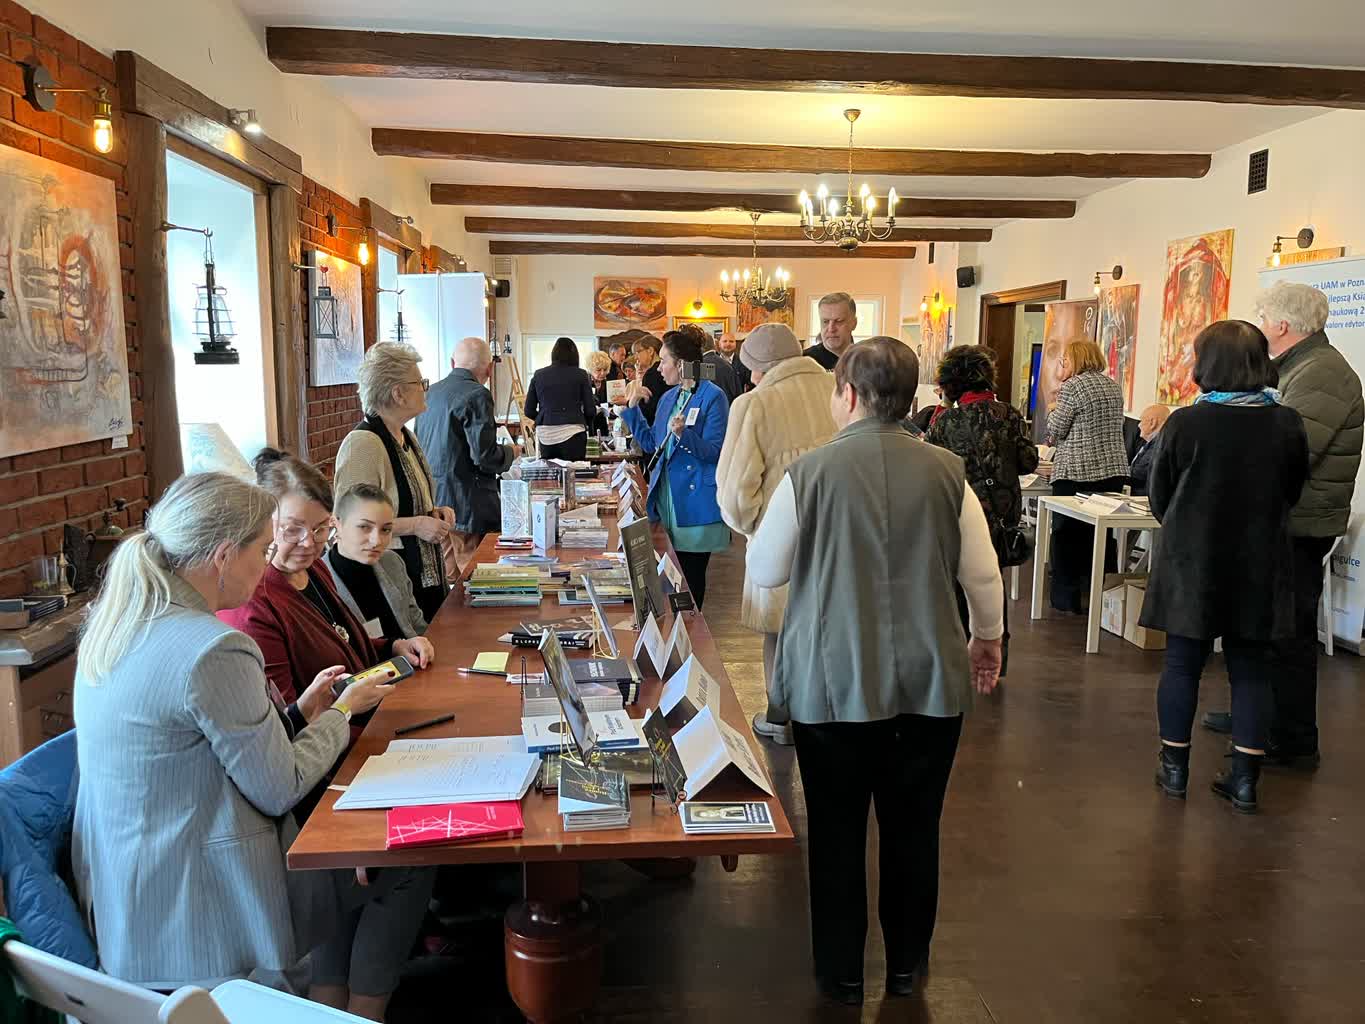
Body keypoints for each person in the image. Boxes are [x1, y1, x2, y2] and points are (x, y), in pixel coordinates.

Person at [72, 472, 397, 1010]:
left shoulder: (116, 625)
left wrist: (297, 714)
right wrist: (341, 713)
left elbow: (198, 748)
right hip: (202, 905)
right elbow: (279, 786)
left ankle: (330, 997)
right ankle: (349, 1006)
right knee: (397, 861)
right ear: (224, 556)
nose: (267, 565)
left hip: (124, 899)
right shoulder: (215, 647)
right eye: (264, 549)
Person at [745, 338, 1003, 1006]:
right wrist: (987, 639)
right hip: (929, 681)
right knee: (915, 829)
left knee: (835, 834)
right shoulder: (947, 471)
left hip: (832, 685)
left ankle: (841, 974)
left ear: (849, 395)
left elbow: (765, 569)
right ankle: (907, 966)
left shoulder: (809, 474)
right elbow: (980, 573)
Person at [1142, 321, 1308, 813]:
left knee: (1181, 665)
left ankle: (1174, 770)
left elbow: (1160, 493)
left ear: (1206, 364)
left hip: (1192, 559)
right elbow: (1293, 490)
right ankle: (1245, 779)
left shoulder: (1186, 423)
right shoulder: (1287, 422)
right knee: (1252, 669)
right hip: (1260, 560)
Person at [1202, 283, 1364, 769]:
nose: (1259, 324)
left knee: (1289, 634)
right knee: (1266, 627)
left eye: (1262, 316)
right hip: (1283, 519)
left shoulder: (1322, 373)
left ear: (1282, 324)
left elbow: (1290, 448)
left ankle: (1291, 737)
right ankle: (1257, 717)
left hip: (1300, 524)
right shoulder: (1300, 366)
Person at [221, 451, 435, 740]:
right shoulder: (254, 605)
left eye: (320, 528)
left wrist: (393, 647)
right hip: (336, 744)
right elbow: (286, 723)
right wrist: (345, 709)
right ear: (263, 524)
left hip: (370, 720)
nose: (308, 543)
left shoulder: (314, 568)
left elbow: (343, 639)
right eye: (292, 529)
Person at [716, 323, 836, 747]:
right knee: (828, 630)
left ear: (761, 368)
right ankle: (825, 720)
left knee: (779, 633)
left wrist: (755, 529)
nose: (749, 377)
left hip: (780, 538)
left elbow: (735, 494)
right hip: (838, 537)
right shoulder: (837, 390)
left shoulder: (754, 404)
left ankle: (780, 718)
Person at [926, 345, 1039, 676]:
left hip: (961, 512)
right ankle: (997, 654)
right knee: (992, 578)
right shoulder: (1009, 414)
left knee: (959, 581)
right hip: (1003, 515)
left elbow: (930, 468)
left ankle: (962, 652)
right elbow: (1028, 461)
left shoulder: (946, 422)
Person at [335, 342, 452, 621]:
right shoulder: (363, 444)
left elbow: (409, 502)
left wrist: (433, 513)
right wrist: (417, 524)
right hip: (388, 579)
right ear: (398, 393)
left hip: (421, 572)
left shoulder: (404, 435)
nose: (425, 388)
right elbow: (347, 525)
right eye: (420, 383)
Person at [614, 330, 730, 607]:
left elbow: (716, 451)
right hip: (666, 500)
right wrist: (632, 409)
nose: (659, 368)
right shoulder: (668, 397)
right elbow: (652, 444)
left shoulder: (713, 397)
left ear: (680, 364)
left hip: (695, 500)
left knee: (690, 579)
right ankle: (675, 628)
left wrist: (683, 436)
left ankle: (690, 627)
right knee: (669, 578)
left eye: (663, 360)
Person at [414, 336, 517, 572]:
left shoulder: (429, 392)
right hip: (469, 502)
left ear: (453, 363)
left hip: (435, 499)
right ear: (489, 369)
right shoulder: (477, 394)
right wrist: (510, 453)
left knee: (448, 576)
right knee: (477, 576)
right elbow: (485, 457)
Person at [1045, 340, 1130, 613]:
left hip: (1076, 471)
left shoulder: (1072, 387)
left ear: (1075, 360)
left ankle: (1067, 598)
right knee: (1101, 535)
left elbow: (1057, 428)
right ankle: (1103, 595)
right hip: (1112, 471)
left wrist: (1051, 409)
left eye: (1065, 360)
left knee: (1066, 535)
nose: (1063, 365)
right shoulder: (1113, 386)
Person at [327, 483, 431, 644]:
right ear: (336, 524)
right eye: (364, 527)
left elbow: (417, 626)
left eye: (386, 530)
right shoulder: (319, 581)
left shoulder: (392, 562)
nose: (376, 541)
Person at [523, 337, 597, 462]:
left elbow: (528, 411)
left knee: (550, 473)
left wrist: (544, 417)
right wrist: (586, 424)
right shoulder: (581, 375)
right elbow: (590, 410)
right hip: (574, 431)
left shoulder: (538, 375)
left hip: (546, 435)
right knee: (575, 472)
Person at [683, 323, 740, 403]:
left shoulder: (695, 368)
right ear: (714, 345)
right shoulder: (728, 366)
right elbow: (738, 395)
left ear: (700, 347)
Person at [805, 292, 858, 370]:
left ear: (854, 323)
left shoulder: (867, 360)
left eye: (839, 321)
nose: (831, 329)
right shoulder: (804, 361)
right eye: (825, 322)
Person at [1127, 404, 1171, 496]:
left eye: (1141, 420)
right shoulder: (1156, 442)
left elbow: (1138, 473)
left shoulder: (1158, 445)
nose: (1139, 425)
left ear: (1152, 423)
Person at [631, 335, 669, 424]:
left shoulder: (651, 374)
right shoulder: (667, 371)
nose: (636, 357)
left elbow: (646, 412)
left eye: (638, 352)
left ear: (650, 351)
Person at [585, 349, 614, 436]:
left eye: (605, 369)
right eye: (598, 370)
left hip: (604, 422)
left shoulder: (608, 382)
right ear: (591, 369)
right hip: (588, 423)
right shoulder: (585, 382)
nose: (602, 373)